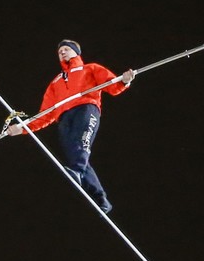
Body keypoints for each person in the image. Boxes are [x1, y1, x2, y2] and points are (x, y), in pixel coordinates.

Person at [7, 39, 135, 213]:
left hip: (85, 109)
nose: (63, 53)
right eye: (60, 51)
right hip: (64, 118)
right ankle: (100, 198)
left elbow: (112, 85)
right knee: (77, 154)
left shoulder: (90, 68)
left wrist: (124, 81)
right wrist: (21, 128)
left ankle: (76, 171)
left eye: (66, 49)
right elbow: (45, 113)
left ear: (76, 52)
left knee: (81, 148)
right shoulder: (55, 82)